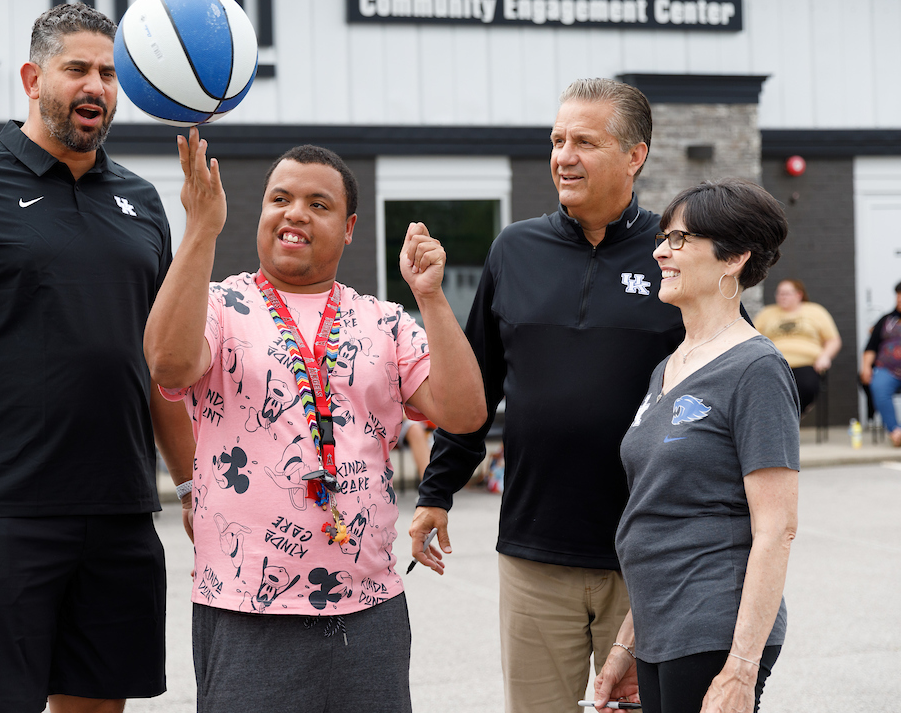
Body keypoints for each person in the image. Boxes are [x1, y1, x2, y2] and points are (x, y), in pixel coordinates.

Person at [0, 3, 195, 713]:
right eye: (77, 68)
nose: (96, 86)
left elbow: (160, 369)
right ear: (32, 76)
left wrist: (195, 487)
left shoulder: (141, 203)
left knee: (99, 706)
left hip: (117, 512)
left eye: (109, 73)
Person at [143, 131, 486, 713]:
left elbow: (464, 411)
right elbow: (168, 364)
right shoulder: (221, 307)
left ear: (350, 228)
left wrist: (430, 297)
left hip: (368, 603)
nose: (294, 213)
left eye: (318, 204)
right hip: (246, 603)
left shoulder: (382, 321)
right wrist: (200, 228)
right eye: (279, 199)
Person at [410, 78, 687, 712]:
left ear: (635, 155)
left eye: (584, 141)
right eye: (557, 139)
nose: (563, 155)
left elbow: (731, 374)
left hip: (645, 553)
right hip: (535, 549)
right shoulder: (515, 249)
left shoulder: (675, 254)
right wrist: (437, 492)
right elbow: (473, 388)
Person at [594, 178, 799, 712]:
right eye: (663, 237)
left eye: (680, 239)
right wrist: (625, 647)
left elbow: (777, 529)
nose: (660, 250)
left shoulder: (756, 369)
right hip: (661, 624)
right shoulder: (669, 367)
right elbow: (656, 512)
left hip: (713, 626)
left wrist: (741, 669)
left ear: (733, 258)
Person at [754, 278, 841, 412]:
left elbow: (833, 340)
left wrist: (825, 356)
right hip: (775, 363)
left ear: (799, 294)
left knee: (806, 386)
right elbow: (753, 338)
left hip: (807, 363)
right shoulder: (767, 313)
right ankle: (785, 419)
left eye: (787, 293)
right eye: (779, 293)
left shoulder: (815, 311)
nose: (782, 297)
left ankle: (791, 417)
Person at [861, 281, 901, 447]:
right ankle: (896, 432)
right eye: (898, 295)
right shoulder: (885, 320)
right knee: (878, 386)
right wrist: (865, 367)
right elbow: (870, 347)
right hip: (887, 370)